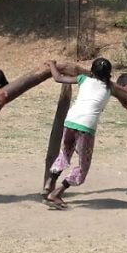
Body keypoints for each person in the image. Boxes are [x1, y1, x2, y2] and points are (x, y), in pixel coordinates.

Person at [43, 58, 113, 210]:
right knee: (83, 166)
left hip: (71, 121)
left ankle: (49, 184)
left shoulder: (83, 79)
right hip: (86, 127)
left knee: (65, 153)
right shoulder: (109, 88)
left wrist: (52, 65)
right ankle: (57, 193)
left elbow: (58, 78)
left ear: (92, 71)